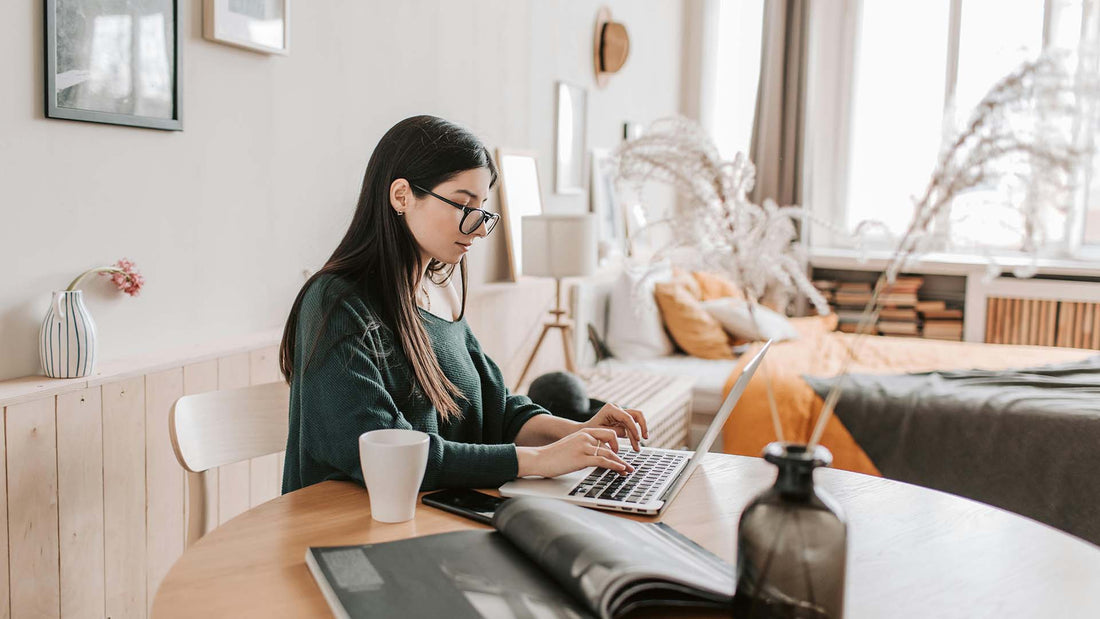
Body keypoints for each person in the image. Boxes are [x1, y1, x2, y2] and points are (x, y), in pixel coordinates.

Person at [279, 115, 649, 493]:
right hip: (351, 531)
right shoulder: (336, 304)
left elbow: (498, 411)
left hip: (438, 516)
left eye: (483, 209)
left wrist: (582, 433)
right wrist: (539, 461)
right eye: (462, 205)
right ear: (402, 195)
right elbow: (391, 456)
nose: (477, 227)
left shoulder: (442, 292)